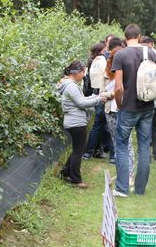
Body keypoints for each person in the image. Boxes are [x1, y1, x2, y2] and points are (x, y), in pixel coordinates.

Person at [111, 24, 156, 197]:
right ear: (139, 36)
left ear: (125, 38)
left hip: (128, 108)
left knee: (122, 146)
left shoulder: (120, 55)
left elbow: (118, 87)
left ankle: (122, 189)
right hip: (147, 106)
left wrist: (118, 104)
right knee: (144, 147)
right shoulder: (151, 53)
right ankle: (140, 189)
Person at [56, 60, 106, 189]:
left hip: (73, 122)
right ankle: (76, 180)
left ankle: (66, 172)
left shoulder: (69, 85)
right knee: (79, 151)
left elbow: (82, 100)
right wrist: (99, 99)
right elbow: (81, 103)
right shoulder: (71, 86)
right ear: (77, 72)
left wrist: (96, 96)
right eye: (83, 72)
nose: (84, 75)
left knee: (78, 149)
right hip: (76, 123)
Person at [102, 39, 136, 182]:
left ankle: (129, 175)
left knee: (125, 143)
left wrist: (110, 95)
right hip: (112, 110)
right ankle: (124, 174)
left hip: (122, 109)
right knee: (118, 143)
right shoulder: (106, 74)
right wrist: (108, 95)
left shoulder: (127, 72)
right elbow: (101, 92)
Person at [83, 42, 112, 160]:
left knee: (102, 125)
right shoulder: (103, 61)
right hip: (101, 94)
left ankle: (101, 149)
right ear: (101, 50)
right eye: (105, 49)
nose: (107, 51)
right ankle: (89, 151)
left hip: (95, 93)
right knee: (100, 125)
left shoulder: (94, 62)